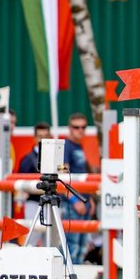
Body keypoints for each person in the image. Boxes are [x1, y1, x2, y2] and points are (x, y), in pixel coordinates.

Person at [61, 112, 95, 265]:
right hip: (73, 203)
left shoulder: (78, 146)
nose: (80, 130)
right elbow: (63, 178)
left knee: (81, 247)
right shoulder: (67, 147)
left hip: (82, 201)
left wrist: (90, 200)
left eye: (83, 127)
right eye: (76, 127)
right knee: (72, 246)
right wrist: (74, 200)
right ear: (70, 129)